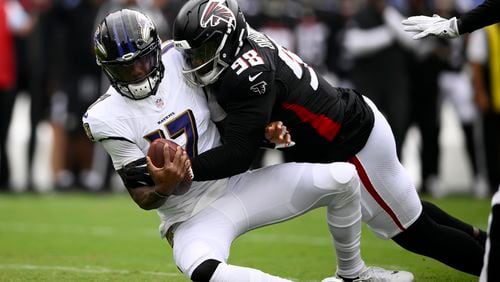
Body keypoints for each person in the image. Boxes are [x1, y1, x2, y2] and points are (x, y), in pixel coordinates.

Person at [83, 9, 412, 282]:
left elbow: (225, 121)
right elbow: (140, 194)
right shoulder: (104, 117)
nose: (139, 72)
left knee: (343, 178)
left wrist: (262, 134)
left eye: (142, 60)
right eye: (126, 68)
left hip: (239, 185)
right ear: (108, 71)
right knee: (204, 270)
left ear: (156, 47)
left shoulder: (179, 57)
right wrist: (164, 188)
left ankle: (353, 275)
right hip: (189, 217)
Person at [172, 0, 487, 278]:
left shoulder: (248, 71)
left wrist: (183, 170)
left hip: (351, 141)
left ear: (227, 41)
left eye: (202, 50)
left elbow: (239, 153)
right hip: (346, 127)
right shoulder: (245, 49)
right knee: (406, 212)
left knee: (413, 232)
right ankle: (485, 241)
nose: (195, 60)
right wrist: (268, 133)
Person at [403, 1, 500, 280]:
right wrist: (455, 25)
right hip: (441, 76)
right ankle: (440, 176)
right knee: (432, 127)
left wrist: (455, 25)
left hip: (458, 76)